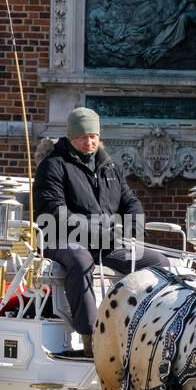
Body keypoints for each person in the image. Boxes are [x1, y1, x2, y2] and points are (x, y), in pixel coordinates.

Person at [34, 106, 168, 356]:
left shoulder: (109, 166)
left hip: (105, 242)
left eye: (93, 135)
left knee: (158, 262)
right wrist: (100, 233)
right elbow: (55, 213)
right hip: (60, 238)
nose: (89, 141)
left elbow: (130, 202)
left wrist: (134, 229)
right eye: (83, 136)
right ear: (71, 137)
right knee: (81, 260)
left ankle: (149, 328)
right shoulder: (53, 166)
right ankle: (90, 337)